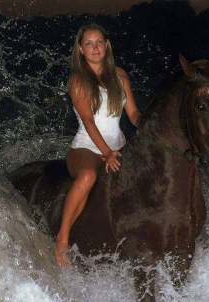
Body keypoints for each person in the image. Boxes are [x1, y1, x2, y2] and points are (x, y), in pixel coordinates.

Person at [55, 23, 141, 267]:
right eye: (89, 43)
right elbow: (88, 121)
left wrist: (146, 124)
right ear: (81, 49)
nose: (95, 48)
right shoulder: (78, 81)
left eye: (99, 42)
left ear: (107, 46)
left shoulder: (120, 75)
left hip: (119, 147)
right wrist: (106, 153)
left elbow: (133, 112)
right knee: (88, 177)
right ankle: (62, 237)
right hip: (87, 148)